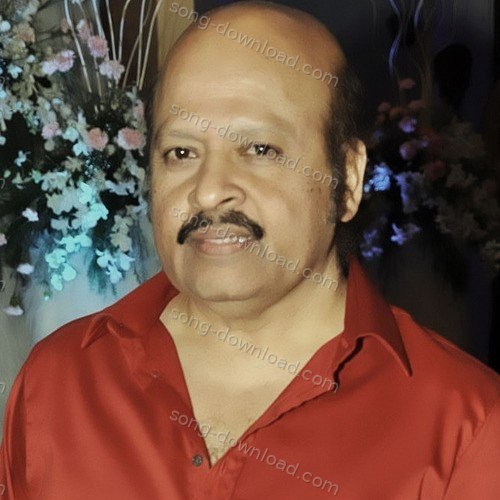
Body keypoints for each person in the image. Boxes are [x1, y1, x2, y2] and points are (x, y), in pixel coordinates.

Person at [1, 1, 499, 498]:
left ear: (347, 179)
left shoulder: (466, 428)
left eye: (260, 149)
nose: (209, 191)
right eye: (181, 152)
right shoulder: (60, 380)